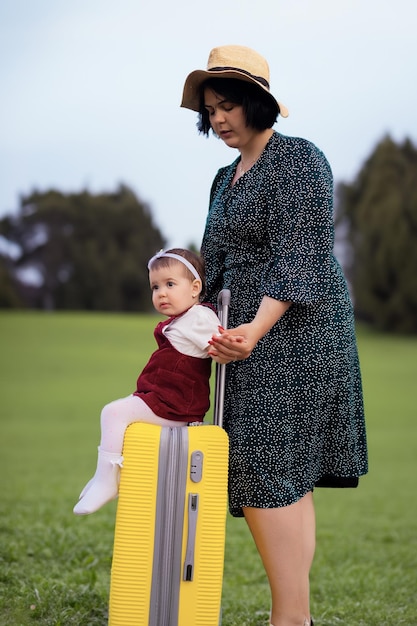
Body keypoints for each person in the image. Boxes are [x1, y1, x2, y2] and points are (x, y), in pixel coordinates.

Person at [181, 45, 368, 626]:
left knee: (264, 471)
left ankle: (289, 619)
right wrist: (190, 319)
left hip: (300, 335)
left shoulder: (301, 161)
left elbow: (301, 254)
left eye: (229, 105)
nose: (219, 119)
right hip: (244, 340)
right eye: (211, 110)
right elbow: (215, 261)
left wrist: (255, 330)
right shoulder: (222, 177)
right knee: (281, 474)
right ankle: (295, 617)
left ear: (258, 104)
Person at [73, 248, 221, 516]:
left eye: (170, 284)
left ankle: (107, 481)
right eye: (155, 287)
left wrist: (228, 343)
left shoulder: (199, 317)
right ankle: (103, 476)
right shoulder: (182, 320)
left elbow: (220, 344)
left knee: (113, 412)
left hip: (175, 405)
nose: (161, 293)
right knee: (120, 414)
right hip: (162, 399)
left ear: (195, 287)